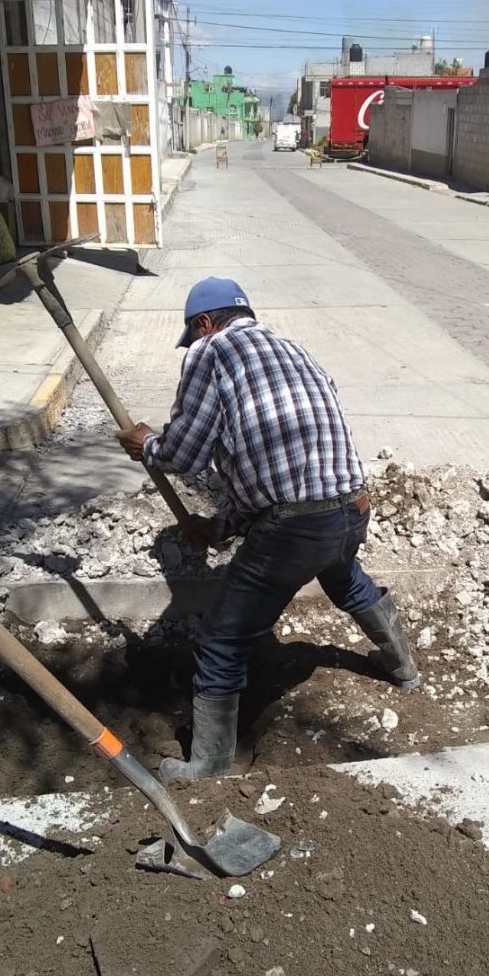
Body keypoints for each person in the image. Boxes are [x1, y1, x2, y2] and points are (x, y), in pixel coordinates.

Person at [116, 277, 419, 782]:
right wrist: (220, 526)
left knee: (221, 637)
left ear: (205, 323)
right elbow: (276, 467)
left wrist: (147, 445)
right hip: (351, 507)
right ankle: (403, 668)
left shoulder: (211, 351)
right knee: (344, 577)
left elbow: (184, 454)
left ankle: (211, 764)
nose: (192, 346)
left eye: (193, 335)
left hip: (298, 526)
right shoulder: (294, 350)